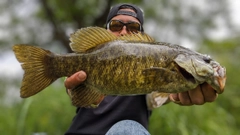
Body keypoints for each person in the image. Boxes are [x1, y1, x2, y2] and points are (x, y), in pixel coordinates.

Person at [64, 3, 218, 135]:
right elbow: (74, 90)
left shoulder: (156, 63)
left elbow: (157, 97)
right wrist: (73, 89)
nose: (124, 31)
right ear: (105, 31)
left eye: (133, 27)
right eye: (116, 25)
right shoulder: (85, 61)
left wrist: (177, 91)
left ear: (141, 37)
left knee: (127, 129)